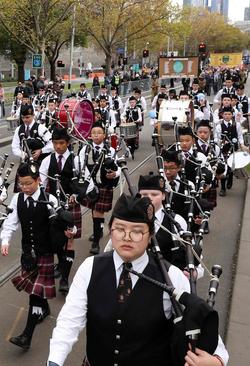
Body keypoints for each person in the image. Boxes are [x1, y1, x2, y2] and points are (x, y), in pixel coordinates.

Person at [47, 194, 229, 366]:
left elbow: (200, 320)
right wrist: (54, 360)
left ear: (150, 236)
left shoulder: (171, 276)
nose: (126, 237)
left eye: (137, 231)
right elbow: (69, 320)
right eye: (119, 229)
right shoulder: (90, 267)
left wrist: (218, 359)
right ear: (110, 230)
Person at [1, 162, 67, 350]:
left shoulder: (50, 199)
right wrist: (5, 241)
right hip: (27, 254)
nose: (25, 187)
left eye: (29, 183)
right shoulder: (17, 199)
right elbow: (10, 222)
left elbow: (64, 224)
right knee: (36, 292)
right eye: (22, 183)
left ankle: (27, 336)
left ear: (38, 180)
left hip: (45, 253)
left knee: (35, 295)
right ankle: (44, 309)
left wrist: (70, 230)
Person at [40, 128, 95, 293]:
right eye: (55, 143)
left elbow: (88, 184)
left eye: (61, 143)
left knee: (69, 240)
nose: (58, 146)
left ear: (68, 143)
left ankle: (64, 277)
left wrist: (77, 197)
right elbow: (41, 185)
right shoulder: (46, 161)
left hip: (71, 206)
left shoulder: (77, 161)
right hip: (53, 206)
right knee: (56, 240)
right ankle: (61, 265)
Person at [79, 122, 120, 254]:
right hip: (90, 185)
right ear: (90, 136)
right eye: (93, 133)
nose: (96, 135)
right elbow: (81, 166)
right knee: (94, 210)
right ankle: (99, 230)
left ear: (104, 135)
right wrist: (88, 183)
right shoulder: (85, 149)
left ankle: (96, 241)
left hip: (104, 186)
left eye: (99, 133)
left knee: (98, 212)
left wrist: (115, 174)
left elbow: (118, 166)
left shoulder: (111, 150)